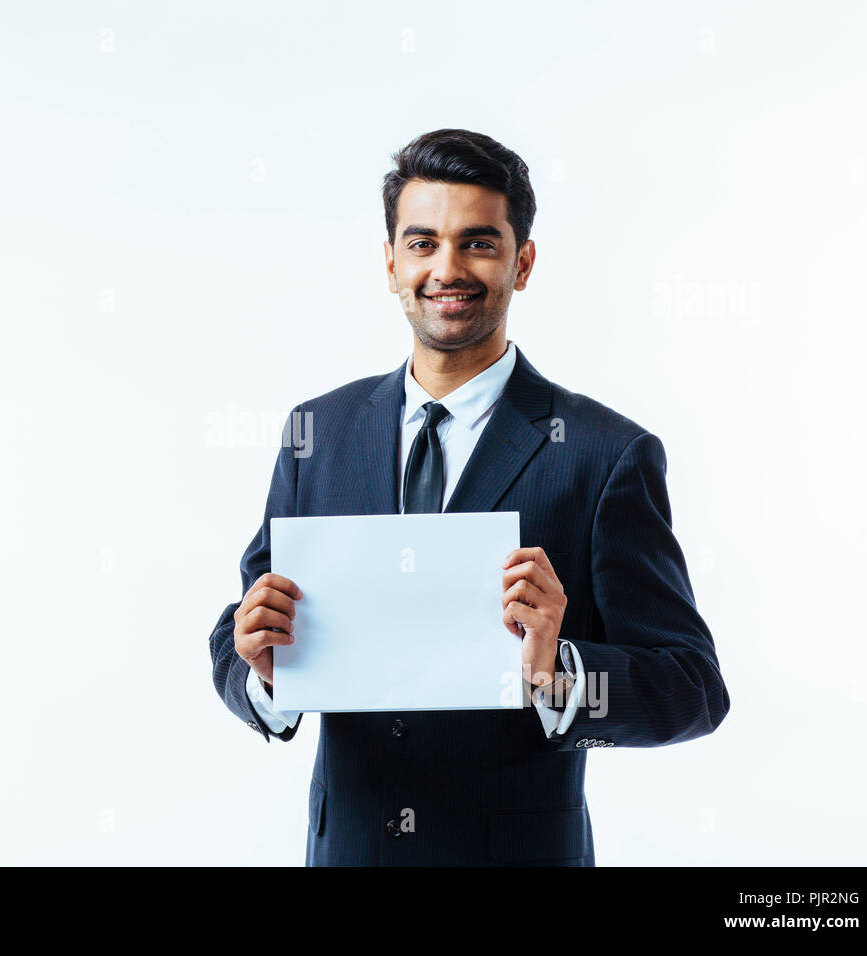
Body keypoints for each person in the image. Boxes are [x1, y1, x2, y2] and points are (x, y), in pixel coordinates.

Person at [207, 128, 730, 866]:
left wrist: (562, 671)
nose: (446, 269)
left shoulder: (603, 454)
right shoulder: (316, 432)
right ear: (390, 263)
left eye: (478, 243)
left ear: (523, 262)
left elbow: (693, 691)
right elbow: (242, 630)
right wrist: (262, 671)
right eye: (422, 244)